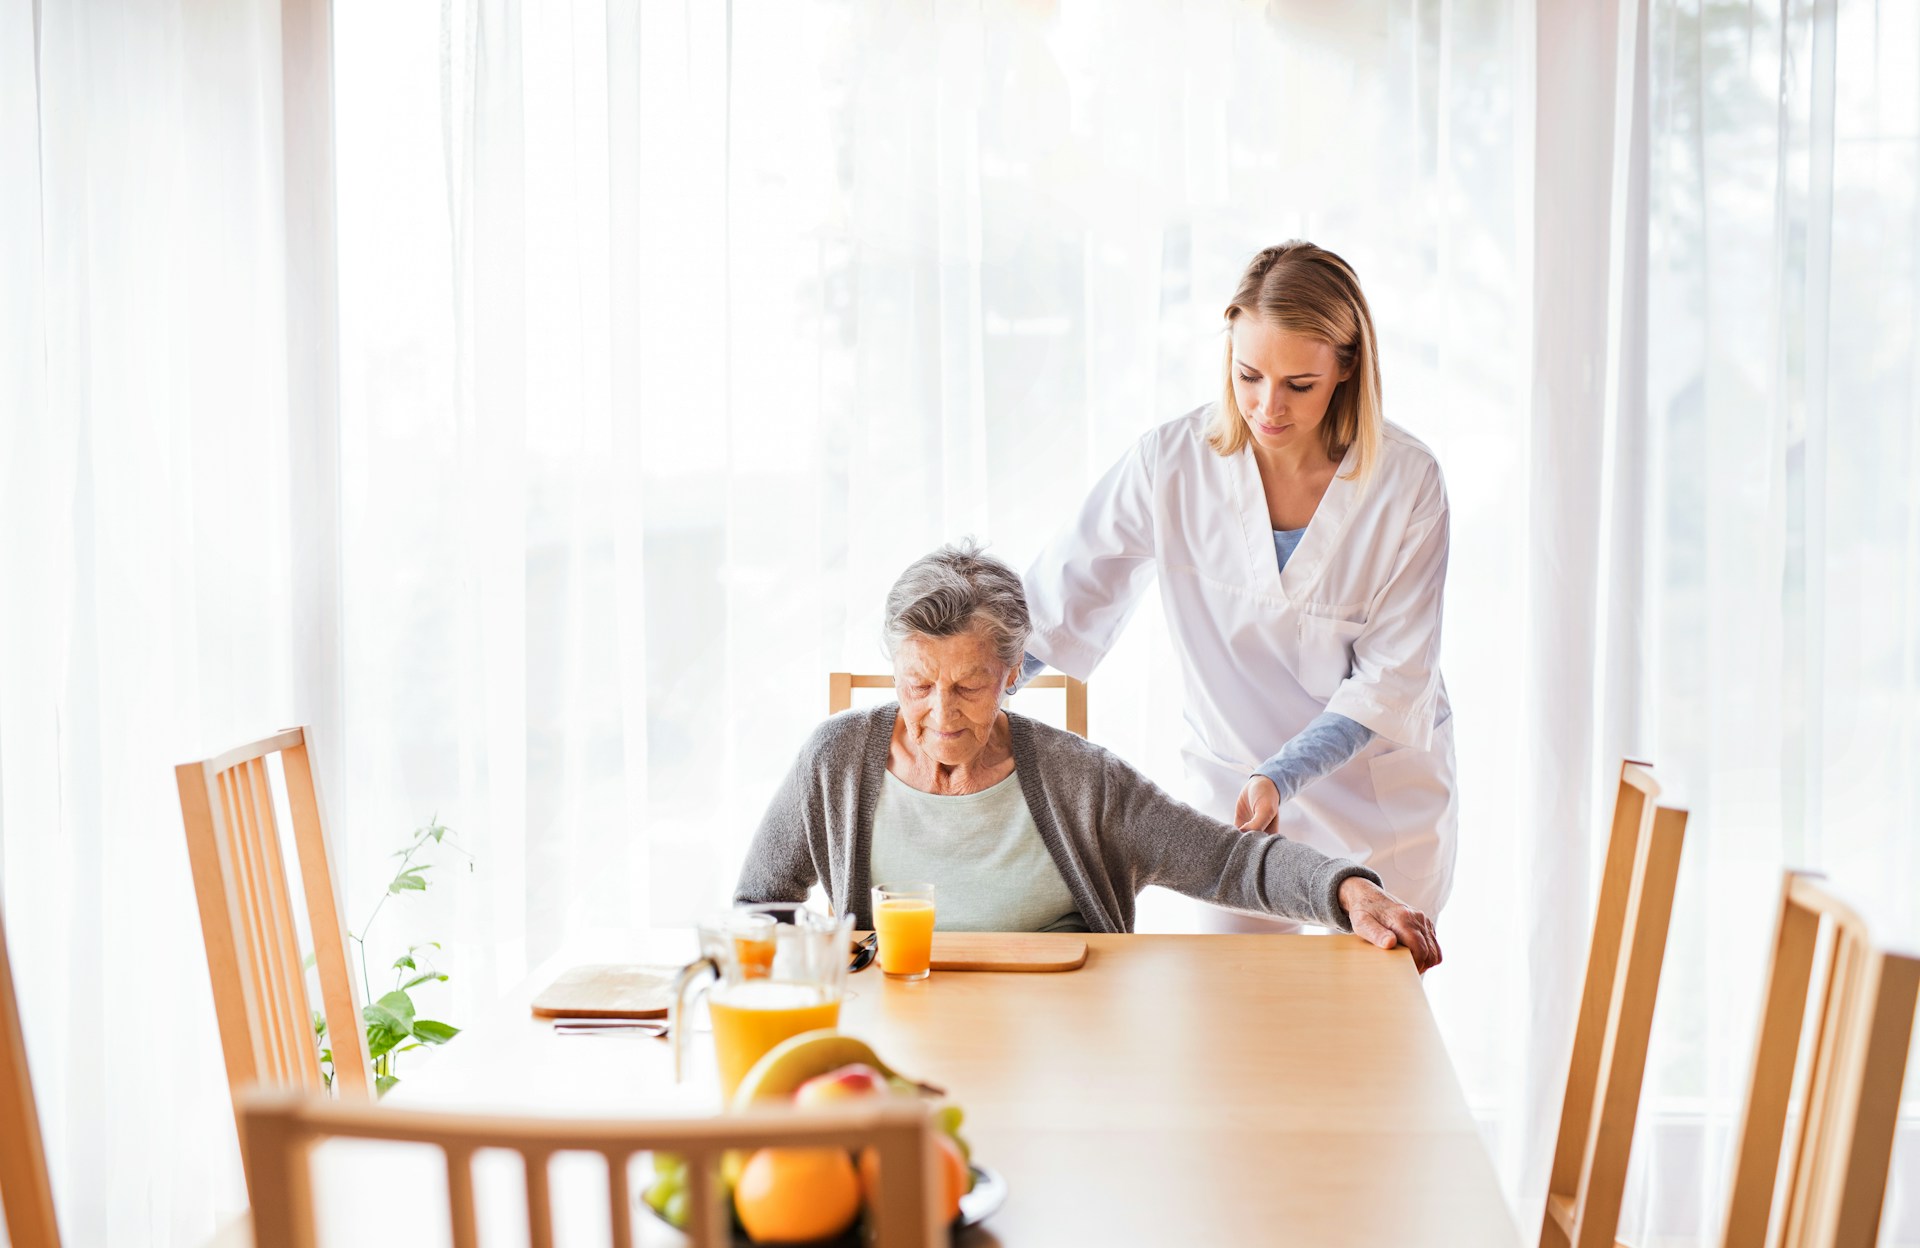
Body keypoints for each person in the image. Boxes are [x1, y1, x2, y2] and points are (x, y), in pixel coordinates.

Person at [735, 542, 1440, 970]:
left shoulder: (1080, 782)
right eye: (918, 686)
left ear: (1011, 676)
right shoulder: (837, 760)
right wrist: (829, 964)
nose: (940, 715)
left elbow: (1226, 859)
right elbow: (759, 907)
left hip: (1063, 1051)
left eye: (970, 686)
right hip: (888, 1051)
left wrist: (1344, 889)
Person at [1021, 242, 1457, 932]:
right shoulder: (1171, 464)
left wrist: (1281, 775)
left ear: (1347, 367)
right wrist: (945, 698)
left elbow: (1391, 681)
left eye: (1298, 385)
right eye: (1248, 374)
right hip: (1235, 812)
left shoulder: (1407, 484)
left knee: (1361, 1038)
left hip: (1373, 812)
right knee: (1231, 1026)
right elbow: (1054, 605)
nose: (1267, 406)